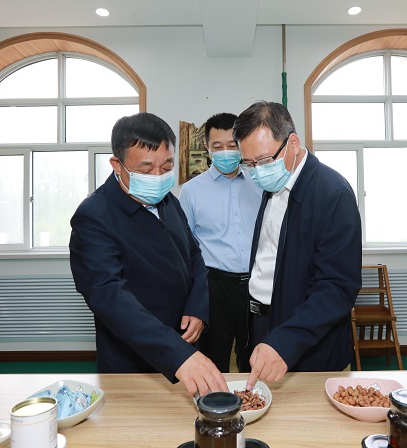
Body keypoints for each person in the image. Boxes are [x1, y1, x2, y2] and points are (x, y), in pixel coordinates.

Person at [69, 112, 228, 396]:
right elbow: (110, 298)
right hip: (134, 360)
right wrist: (176, 352)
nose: (158, 177)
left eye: (166, 167)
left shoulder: (168, 202)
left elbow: (194, 256)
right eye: (145, 169)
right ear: (117, 165)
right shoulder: (94, 217)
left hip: (185, 348)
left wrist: (197, 307)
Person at [232, 101, 362, 390]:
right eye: (249, 164)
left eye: (264, 160)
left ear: (292, 143)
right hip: (262, 322)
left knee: (304, 414)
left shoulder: (332, 193)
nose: (257, 171)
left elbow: (337, 287)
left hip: (306, 337)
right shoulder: (274, 183)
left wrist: (285, 341)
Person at [179, 113, 262, 373]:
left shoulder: (260, 184)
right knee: (213, 360)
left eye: (232, 145)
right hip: (214, 286)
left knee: (255, 358)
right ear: (207, 148)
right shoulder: (191, 191)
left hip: (257, 284)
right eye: (217, 146)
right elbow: (185, 248)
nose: (225, 152)